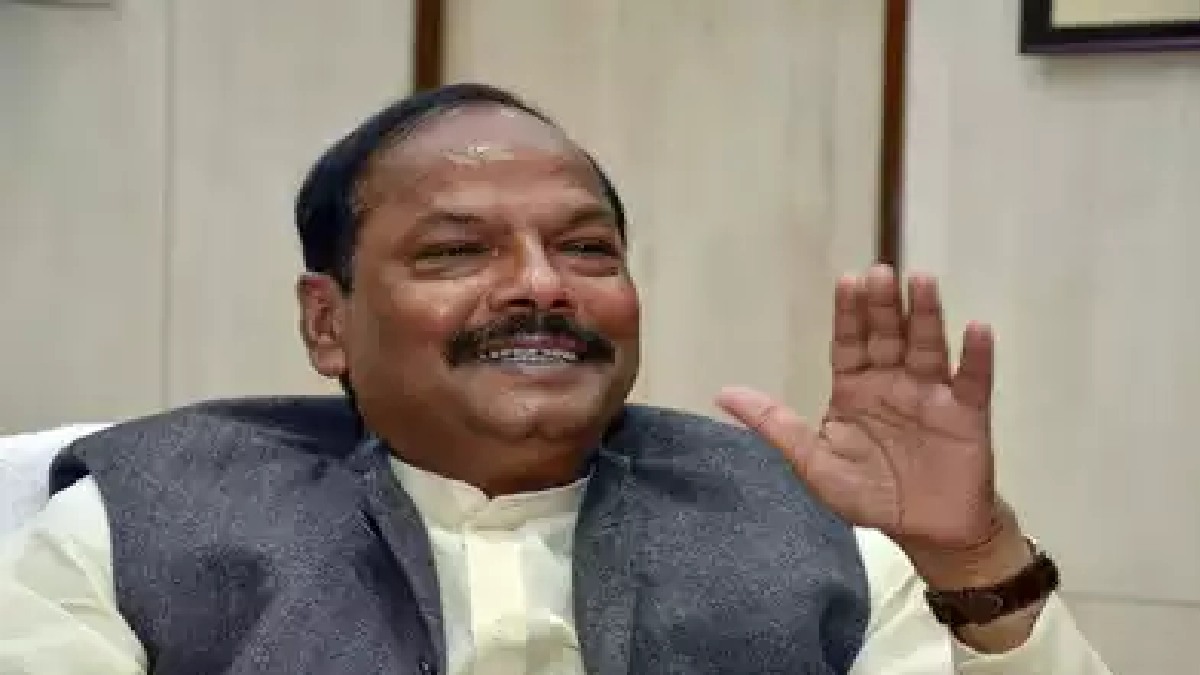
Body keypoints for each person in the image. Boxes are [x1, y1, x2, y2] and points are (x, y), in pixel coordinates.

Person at [0, 83, 1110, 674]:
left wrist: (973, 557)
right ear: (327, 322)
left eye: (586, 248)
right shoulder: (134, 523)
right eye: (456, 251)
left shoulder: (818, 529)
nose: (541, 286)